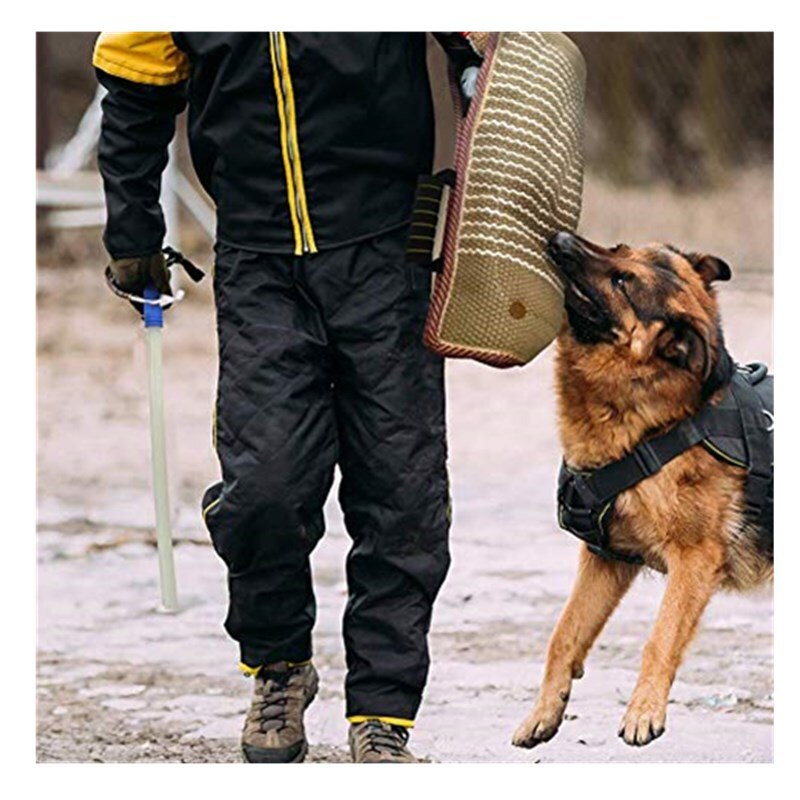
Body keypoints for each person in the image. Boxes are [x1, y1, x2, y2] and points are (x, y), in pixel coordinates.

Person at [94, 31, 483, 763]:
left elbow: (485, 53)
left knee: (400, 490)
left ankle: (382, 713)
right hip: (257, 260)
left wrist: (481, 104)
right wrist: (134, 234)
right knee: (263, 487)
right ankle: (279, 667)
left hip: (389, 245)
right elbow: (134, 94)